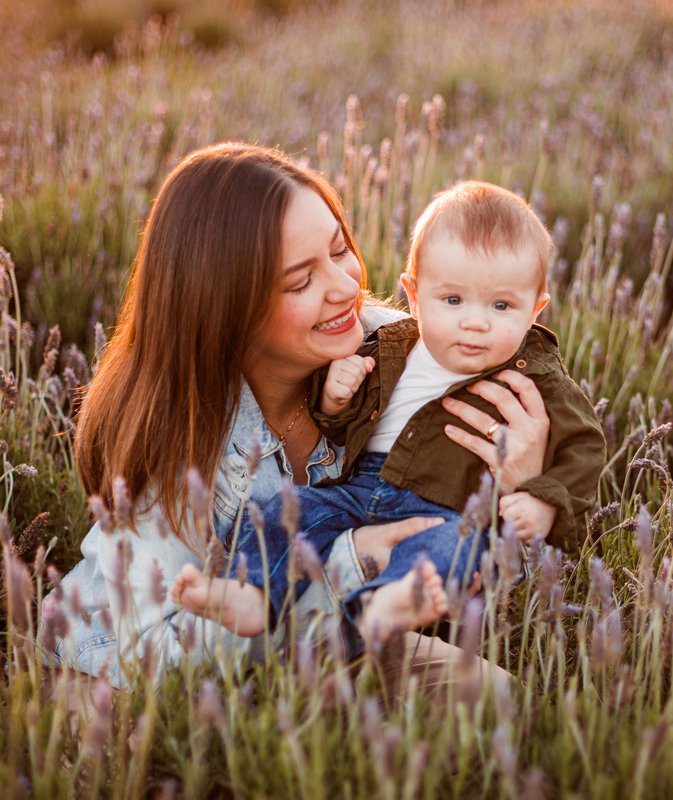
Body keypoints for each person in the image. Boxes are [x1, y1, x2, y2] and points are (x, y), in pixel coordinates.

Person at [38, 146, 555, 702]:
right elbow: (147, 659)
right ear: (227, 307)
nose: (344, 287)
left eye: (339, 249)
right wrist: (353, 563)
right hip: (124, 679)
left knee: (499, 704)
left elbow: (487, 574)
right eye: (299, 281)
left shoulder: (405, 357)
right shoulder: (184, 443)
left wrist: (523, 487)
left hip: (330, 641)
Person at [172, 181, 606, 644]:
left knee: (453, 548)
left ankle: (383, 603)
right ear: (414, 297)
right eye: (453, 300)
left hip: (446, 507)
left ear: (536, 311)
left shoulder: (536, 378)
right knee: (289, 513)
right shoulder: (391, 348)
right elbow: (347, 428)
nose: (475, 322)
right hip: (360, 489)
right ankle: (253, 593)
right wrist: (335, 401)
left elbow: (584, 447)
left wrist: (540, 497)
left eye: (502, 305)